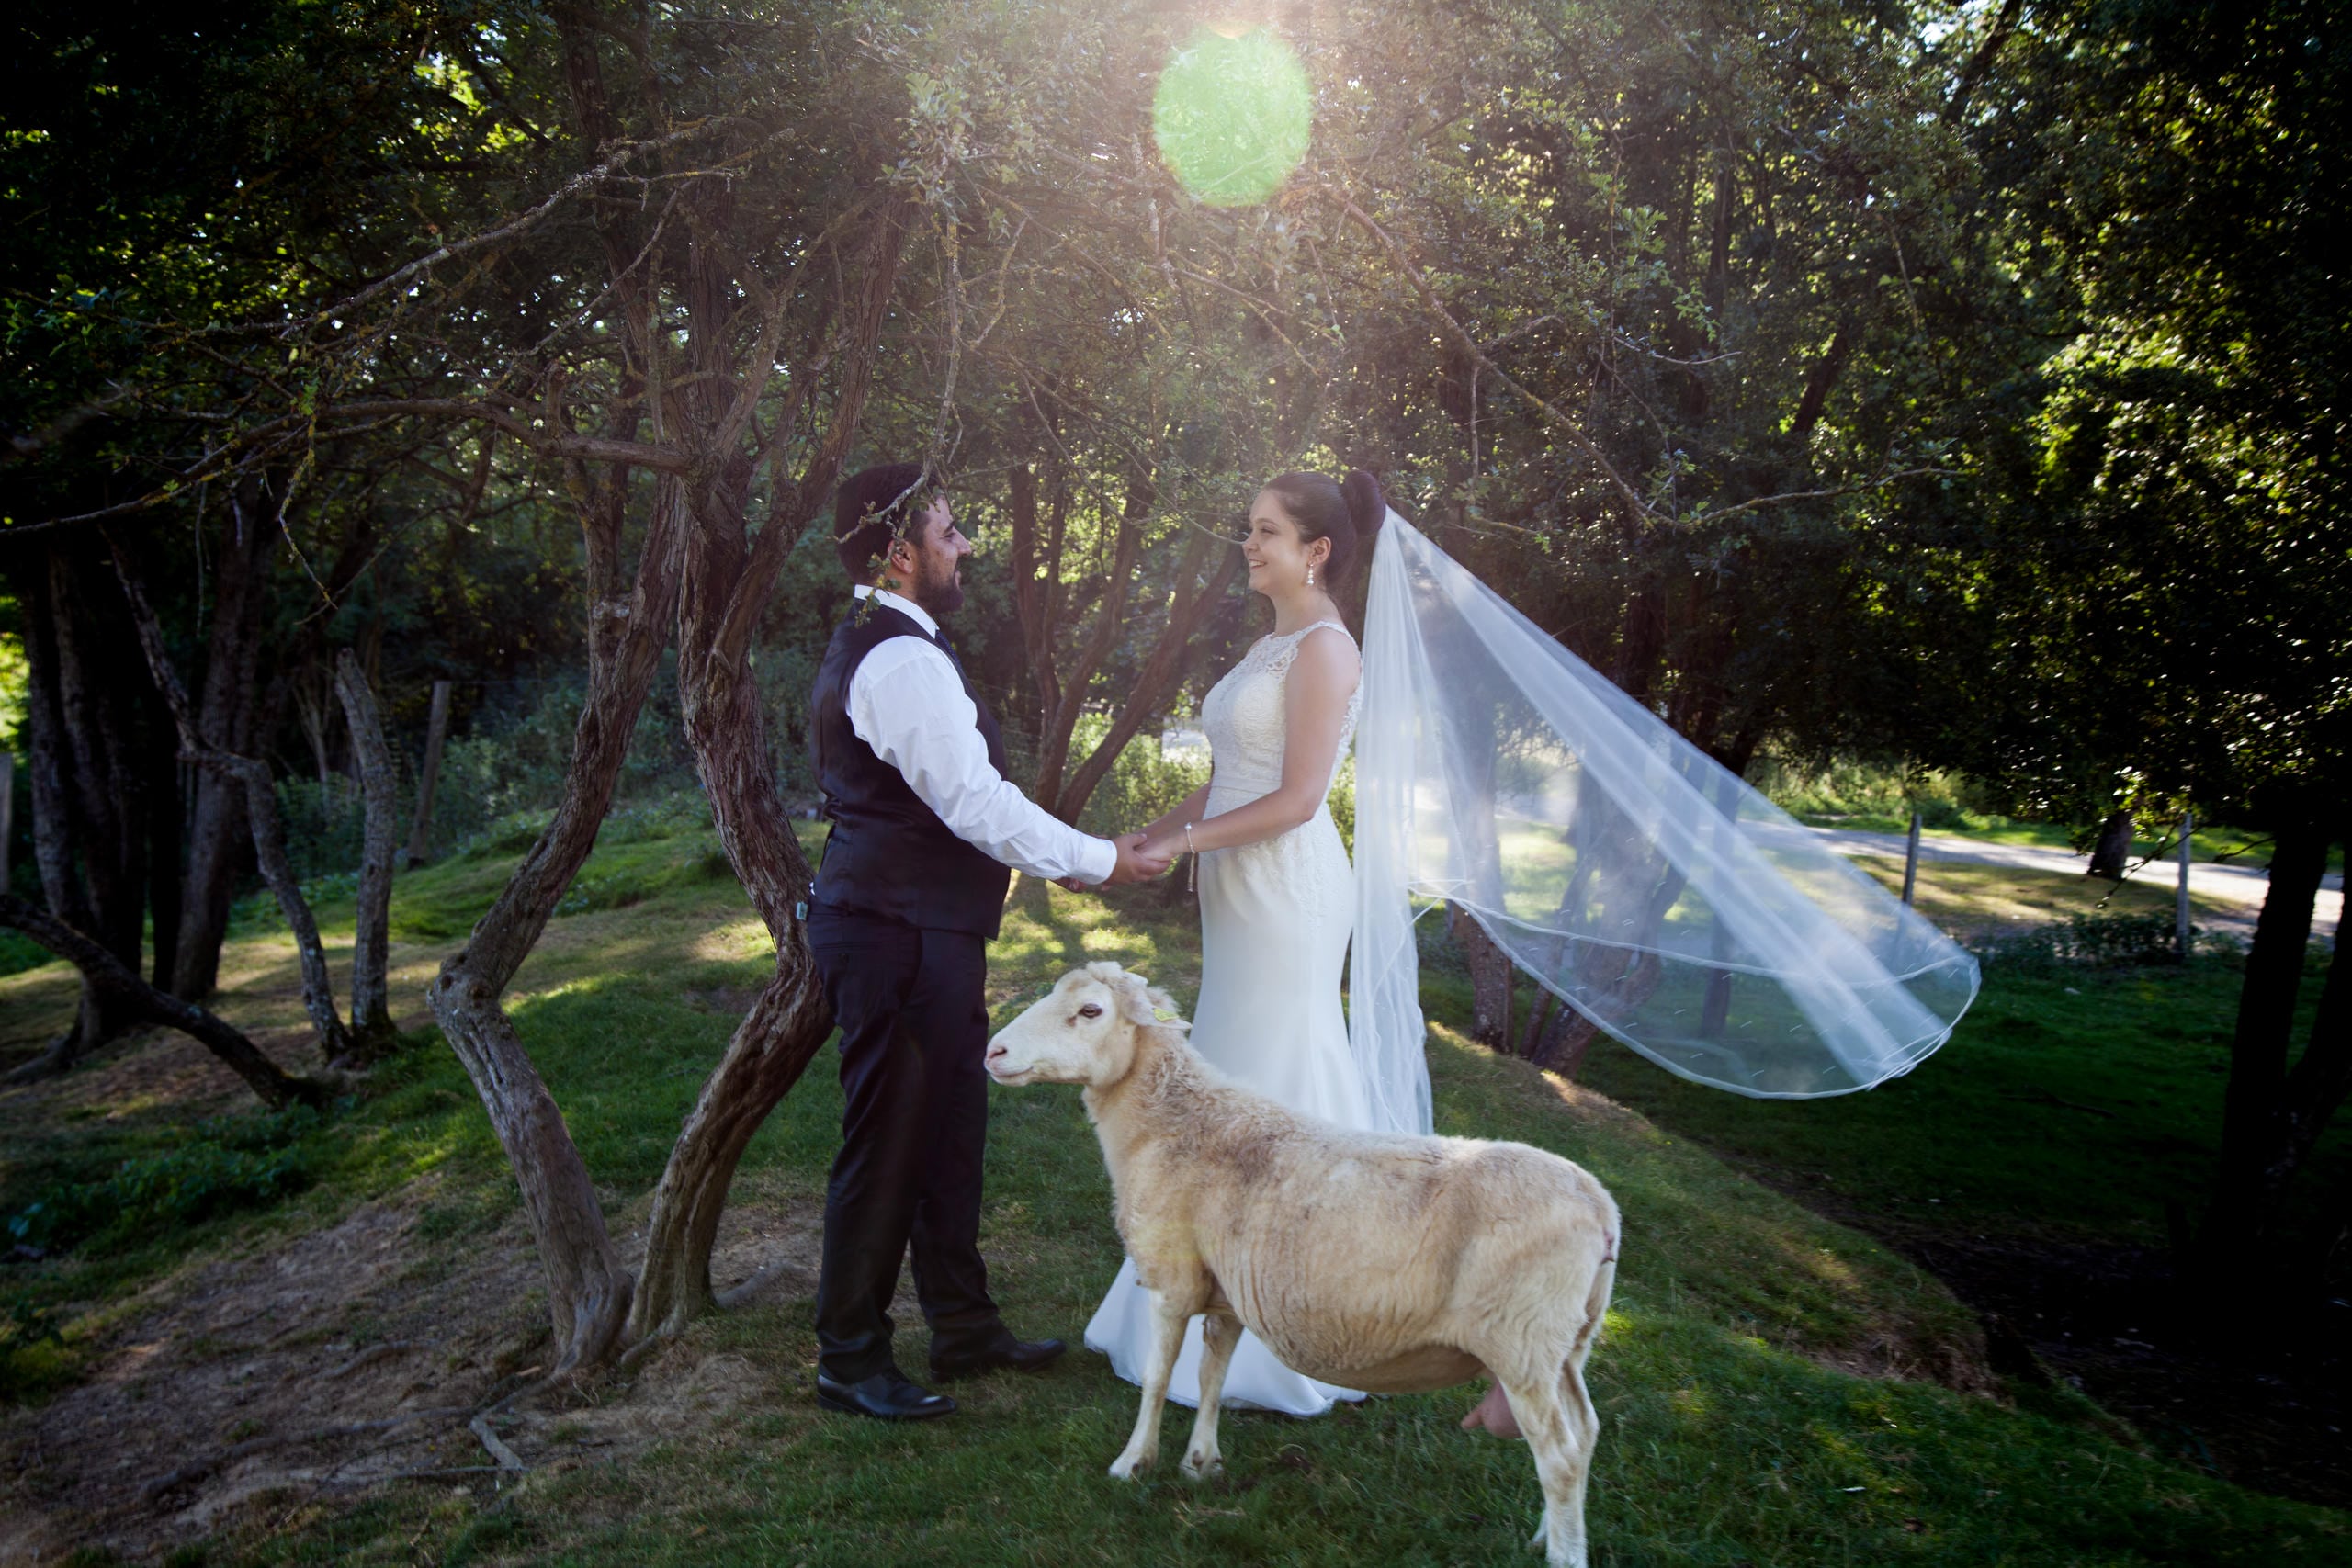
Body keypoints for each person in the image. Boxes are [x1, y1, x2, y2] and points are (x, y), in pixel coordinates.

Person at [807, 461, 1169, 1423]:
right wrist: (1098, 859)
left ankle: (963, 1326)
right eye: (948, 530)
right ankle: (849, 1357)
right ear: (899, 553)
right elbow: (973, 803)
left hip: (924, 926)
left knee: (949, 1133)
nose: (964, 545)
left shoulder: (892, 642)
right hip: (894, 931)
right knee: (889, 1143)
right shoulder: (899, 659)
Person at [1080, 468, 1384, 1417]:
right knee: (1224, 1078)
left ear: (1316, 550)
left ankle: (1302, 1317)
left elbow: (1296, 799)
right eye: (1248, 528)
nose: (1247, 545)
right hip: (1237, 888)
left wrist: (1186, 845)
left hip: (1289, 891)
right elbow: (1229, 778)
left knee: (1275, 1074)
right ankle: (1198, 1286)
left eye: (1265, 531)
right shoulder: (1271, 643)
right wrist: (1145, 839)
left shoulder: (1326, 649)